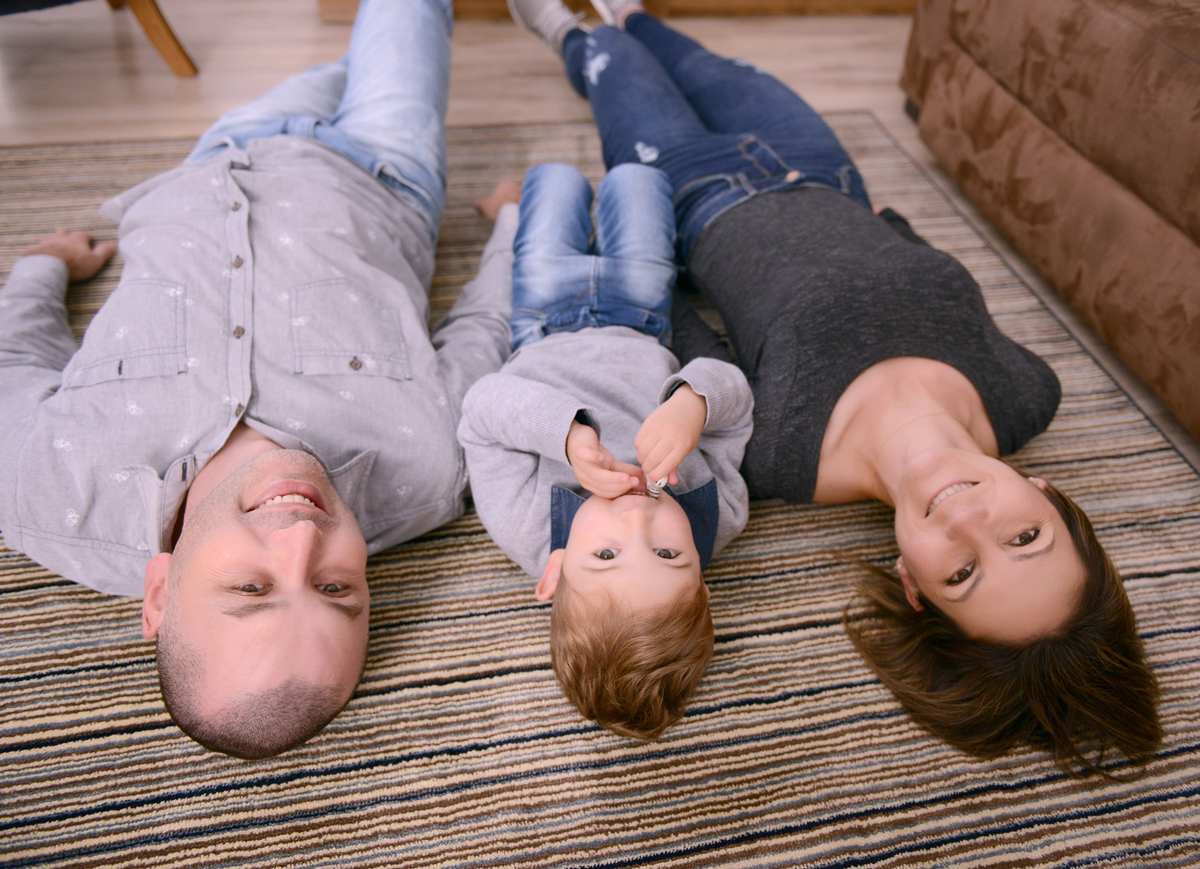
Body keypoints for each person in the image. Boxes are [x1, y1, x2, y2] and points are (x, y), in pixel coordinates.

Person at [503, 0, 1162, 773]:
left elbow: (669, 333)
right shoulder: (1025, 393)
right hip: (825, 168)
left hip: (690, 192)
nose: (968, 520)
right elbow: (934, 272)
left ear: (913, 584)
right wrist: (887, 227)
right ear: (1051, 497)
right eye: (1026, 538)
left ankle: (570, 30)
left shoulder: (781, 457)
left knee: (614, 63)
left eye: (961, 574)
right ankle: (631, 12)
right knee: (691, 56)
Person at [0, 0, 515, 759]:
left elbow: (13, 361)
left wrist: (45, 267)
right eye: (336, 589)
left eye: (251, 588)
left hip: (217, 157)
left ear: (159, 591)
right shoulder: (429, 470)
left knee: (332, 69)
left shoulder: (46, 489)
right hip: (382, 170)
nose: (304, 538)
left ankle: (345, 69)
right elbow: (485, 328)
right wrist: (510, 226)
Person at [459, 162, 754, 738]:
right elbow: (737, 405)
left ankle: (510, 205)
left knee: (556, 180)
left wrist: (565, 435)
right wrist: (693, 404)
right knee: (638, 181)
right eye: (668, 553)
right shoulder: (720, 513)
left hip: (544, 318)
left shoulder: (524, 525)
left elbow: (480, 411)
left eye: (606, 554)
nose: (638, 520)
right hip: (641, 318)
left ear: (554, 573)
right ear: (702, 584)